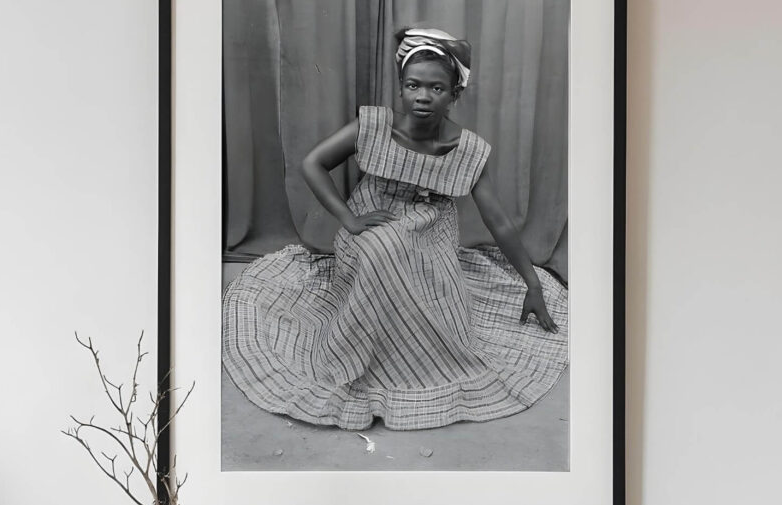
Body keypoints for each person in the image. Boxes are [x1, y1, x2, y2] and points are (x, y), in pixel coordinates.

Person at [222, 26, 568, 432]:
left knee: (428, 284)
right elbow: (311, 164)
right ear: (401, 87)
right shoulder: (375, 125)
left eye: (436, 88)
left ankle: (424, 362)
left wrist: (533, 284)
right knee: (383, 250)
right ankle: (361, 361)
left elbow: (498, 220)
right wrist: (349, 220)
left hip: (430, 232)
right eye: (413, 85)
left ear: (455, 94)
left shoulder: (467, 148)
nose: (422, 96)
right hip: (372, 221)